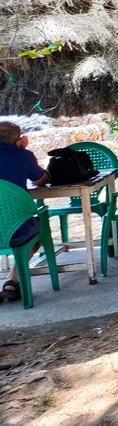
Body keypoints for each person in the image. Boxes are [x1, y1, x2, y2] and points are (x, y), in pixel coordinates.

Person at [0, 121, 49, 302]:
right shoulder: (23, 156)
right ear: (19, 139)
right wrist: (22, 149)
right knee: (36, 230)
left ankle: (11, 282)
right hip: (16, 230)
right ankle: (12, 281)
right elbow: (41, 180)